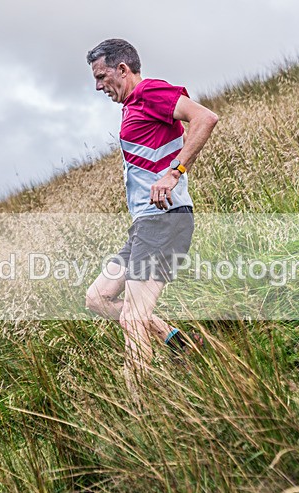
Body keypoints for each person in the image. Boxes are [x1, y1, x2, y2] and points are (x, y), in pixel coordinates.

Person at [83, 38, 219, 403]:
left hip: (166, 220)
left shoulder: (151, 92)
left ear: (123, 69)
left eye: (102, 76)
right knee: (97, 298)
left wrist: (175, 172)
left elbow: (205, 118)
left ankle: (140, 409)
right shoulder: (131, 107)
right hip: (145, 224)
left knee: (132, 319)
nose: (98, 86)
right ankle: (181, 344)